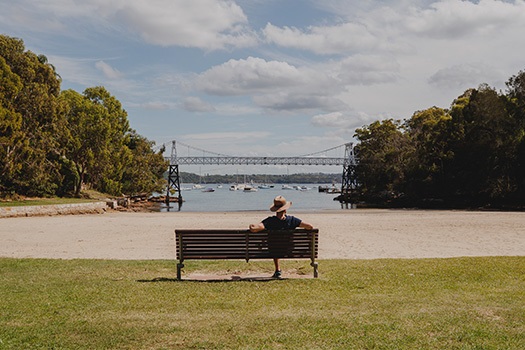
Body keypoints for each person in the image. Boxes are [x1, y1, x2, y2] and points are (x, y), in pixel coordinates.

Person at [249, 195, 313, 278]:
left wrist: (251, 226)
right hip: (290, 250)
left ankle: (277, 270)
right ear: (285, 209)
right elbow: (310, 226)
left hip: (274, 251)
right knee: (279, 245)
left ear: (275, 210)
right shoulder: (292, 220)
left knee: (274, 245)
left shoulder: (270, 221)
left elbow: (255, 229)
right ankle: (278, 269)